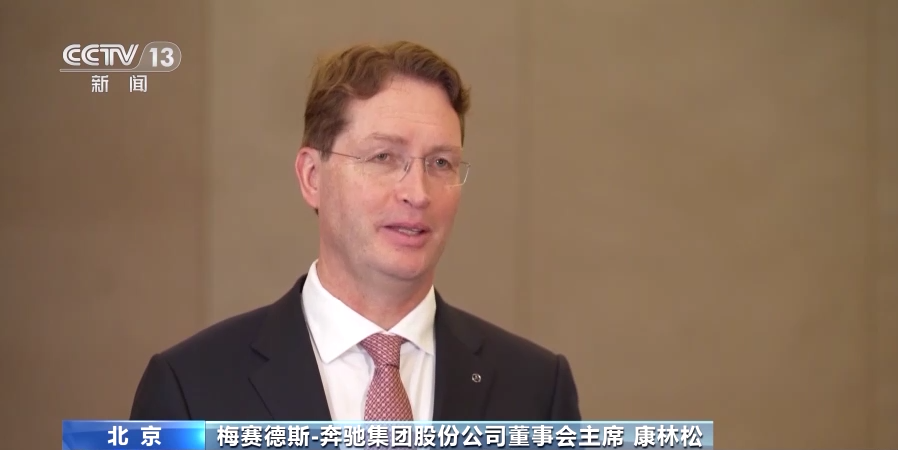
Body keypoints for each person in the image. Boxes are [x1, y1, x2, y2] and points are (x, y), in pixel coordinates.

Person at [130, 41, 581, 422]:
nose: (417, 193)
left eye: (441, 163)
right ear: (312, 176)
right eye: (383, 157)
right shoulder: (188, 388)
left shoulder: (538, 391)